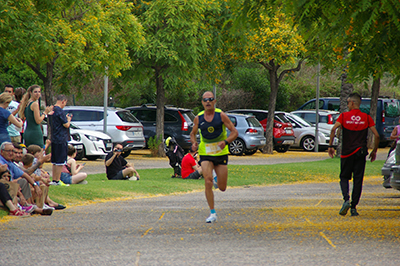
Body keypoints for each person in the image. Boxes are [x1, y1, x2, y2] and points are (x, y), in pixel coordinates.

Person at [328, 92, 379, 217]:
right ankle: (353, 207)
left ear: (352, 103)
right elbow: (376, 135)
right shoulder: (366, 117)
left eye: (348, 103)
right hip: (360, 153)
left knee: (344, 177)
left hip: (347, 153)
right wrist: (374, 151)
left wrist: (330, 146)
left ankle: (346, 199)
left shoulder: (344, 116)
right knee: (358, 180)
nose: (347, 105)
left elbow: (334, 129)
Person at [190, 91, 238, 223]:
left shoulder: (221, 115)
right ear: (202, 103)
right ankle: (212, 212)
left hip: (221, 153)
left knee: (222, 187)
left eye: (210, 99)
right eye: (205, 100)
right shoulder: (198, 118)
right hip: (205, 152)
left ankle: (218, 179)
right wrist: (194, 143)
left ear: (215, 101)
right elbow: (192, 133)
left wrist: (226, 142)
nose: (208, 102)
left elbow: (234, 132)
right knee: (208, 180)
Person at [48, 94, 71, 185]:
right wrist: (68, 119)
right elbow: (66, 125)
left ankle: (54, 179)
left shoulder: (52, 110)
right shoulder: (60, 111)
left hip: (54, 137)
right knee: (60, 161)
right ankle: (57, 180)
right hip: (61, 138)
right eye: (65, 103)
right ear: (63, 101)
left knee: (54, 161)